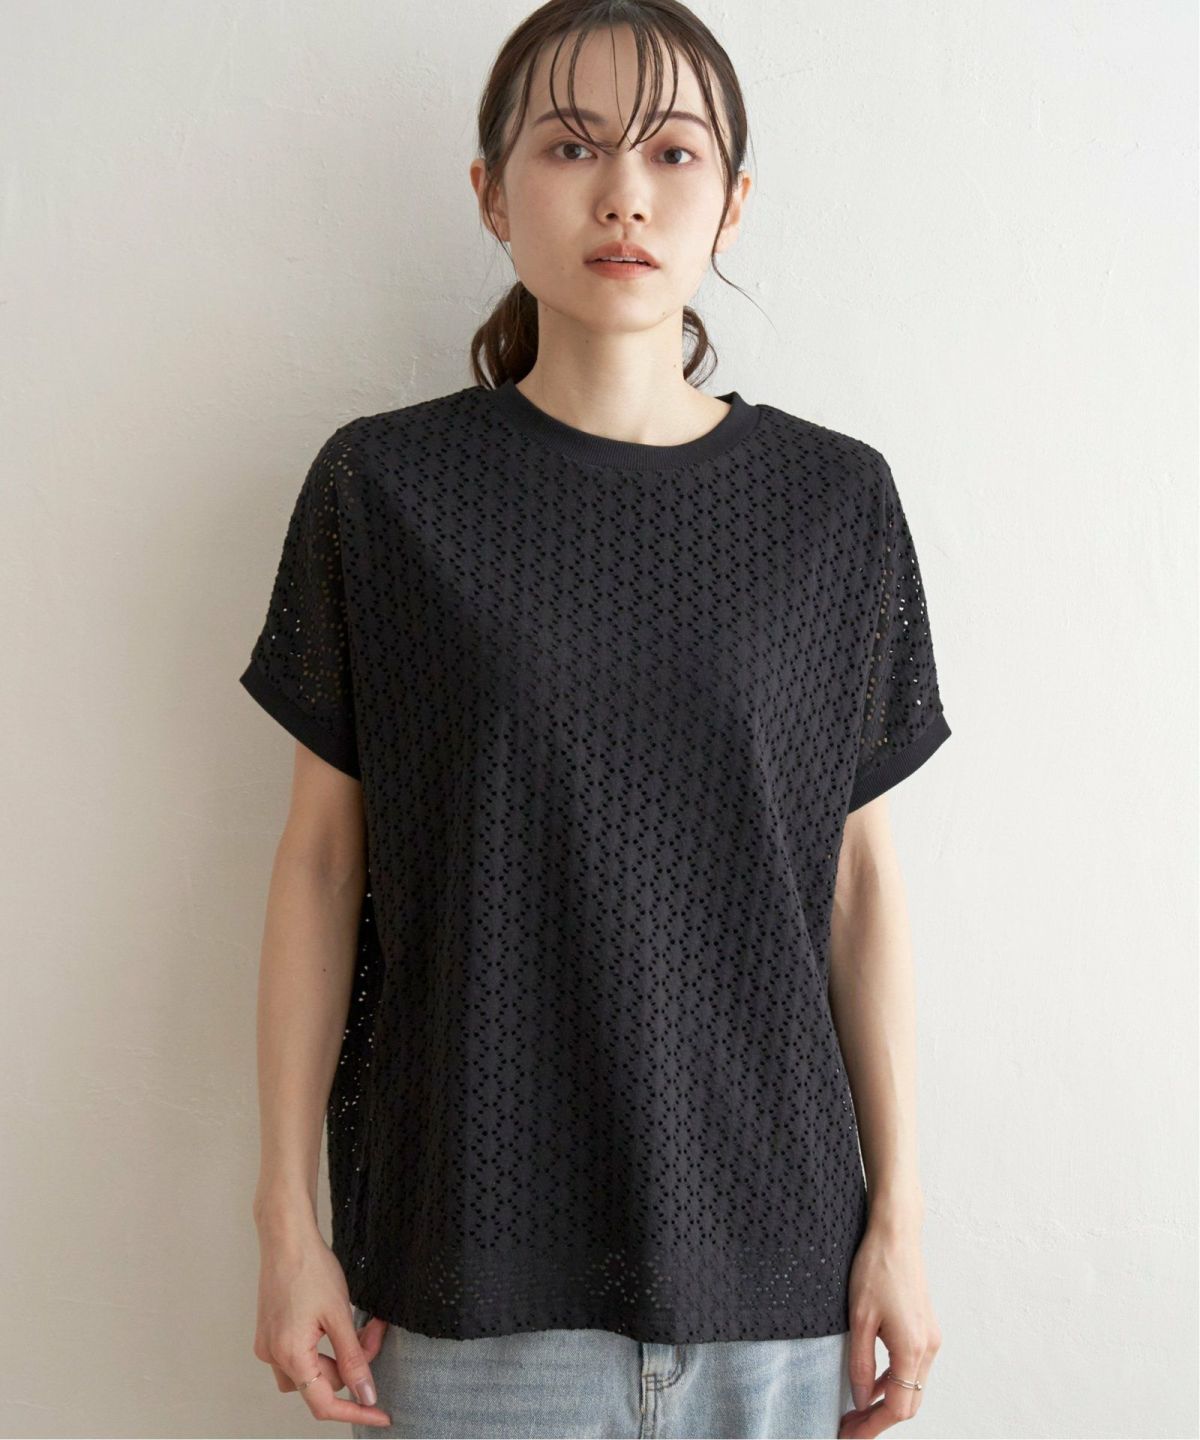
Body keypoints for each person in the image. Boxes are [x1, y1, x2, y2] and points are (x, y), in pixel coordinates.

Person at [242, 2, 950, 1436]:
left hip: (779, 1274)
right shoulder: (385, 493)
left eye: (673, 152)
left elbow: (858, 885)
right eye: (570, 146)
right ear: (491, 193)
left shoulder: (835, 506)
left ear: (732, 202)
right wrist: (286, 1221)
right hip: (467, 1275)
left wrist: (901, 1224)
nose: (625, 193)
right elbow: (320, 864)